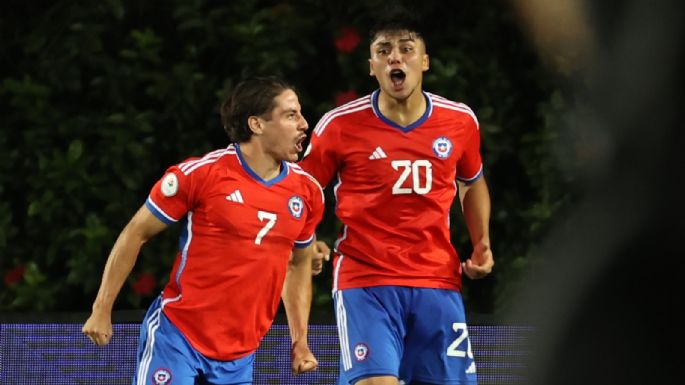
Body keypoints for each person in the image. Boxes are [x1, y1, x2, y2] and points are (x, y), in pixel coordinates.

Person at [82, 77, 325, 384]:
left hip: (241, 354)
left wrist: (299, 341)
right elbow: (135, 232)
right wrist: (102, 308)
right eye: (291, 115)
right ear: (257, 124)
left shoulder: (307, 192)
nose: (304, 124)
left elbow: (300, 263)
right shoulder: (203, 175)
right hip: (178, 337)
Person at [300, 8, 494, 385]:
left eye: (406, 49)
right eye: (384, 49)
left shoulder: (460, 121)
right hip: (365, 278)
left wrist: (482, 241)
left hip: (437, 278)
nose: (395, 57)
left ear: (424, 61)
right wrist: (305, 240)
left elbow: (471, 182)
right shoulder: (340, 126)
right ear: (372, 65)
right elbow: (301, 189)